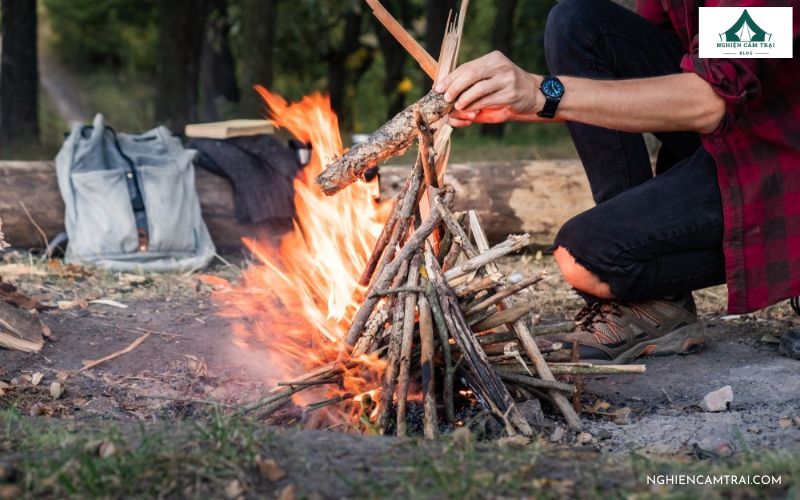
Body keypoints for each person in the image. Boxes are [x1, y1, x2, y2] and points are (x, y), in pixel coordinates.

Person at [435, 0, 800, 363]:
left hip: (781, 158)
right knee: (577, 23)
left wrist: (541, 92)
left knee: (586, 259)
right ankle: (655, 304)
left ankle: (642, 289)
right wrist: (516, 104)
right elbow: (658, 71)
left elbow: (711, 100)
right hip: (737, 129)